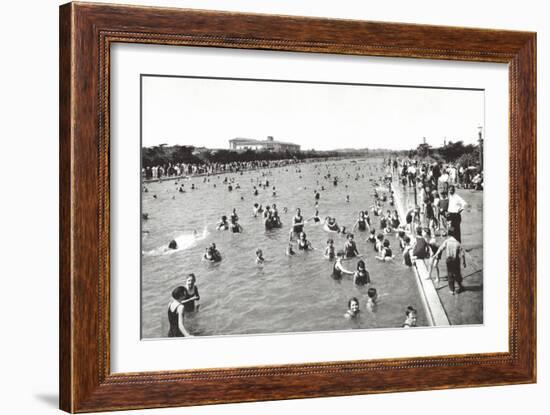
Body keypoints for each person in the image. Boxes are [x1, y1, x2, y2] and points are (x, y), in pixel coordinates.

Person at [433, 228, 467, 294]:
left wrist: (435, 255)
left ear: (448, 234)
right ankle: (460, 286)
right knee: (457, 273)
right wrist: (464, 262)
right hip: (456, 260)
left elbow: (440, 249)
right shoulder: (457, 243)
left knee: (450, 274)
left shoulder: (447, 241)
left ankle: (452, 290)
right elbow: (462, 253)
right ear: (454, 234)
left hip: (449, 260)